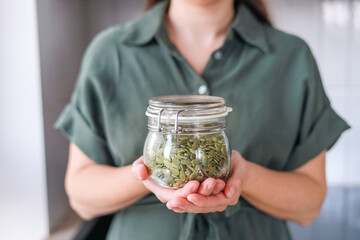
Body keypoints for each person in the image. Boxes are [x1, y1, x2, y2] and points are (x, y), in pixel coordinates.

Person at [55, 0, 350, 239]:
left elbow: (309, 205)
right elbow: (81, 196)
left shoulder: (291, 57)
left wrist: (244, 177)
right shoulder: (110, 53)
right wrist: (150, 176)